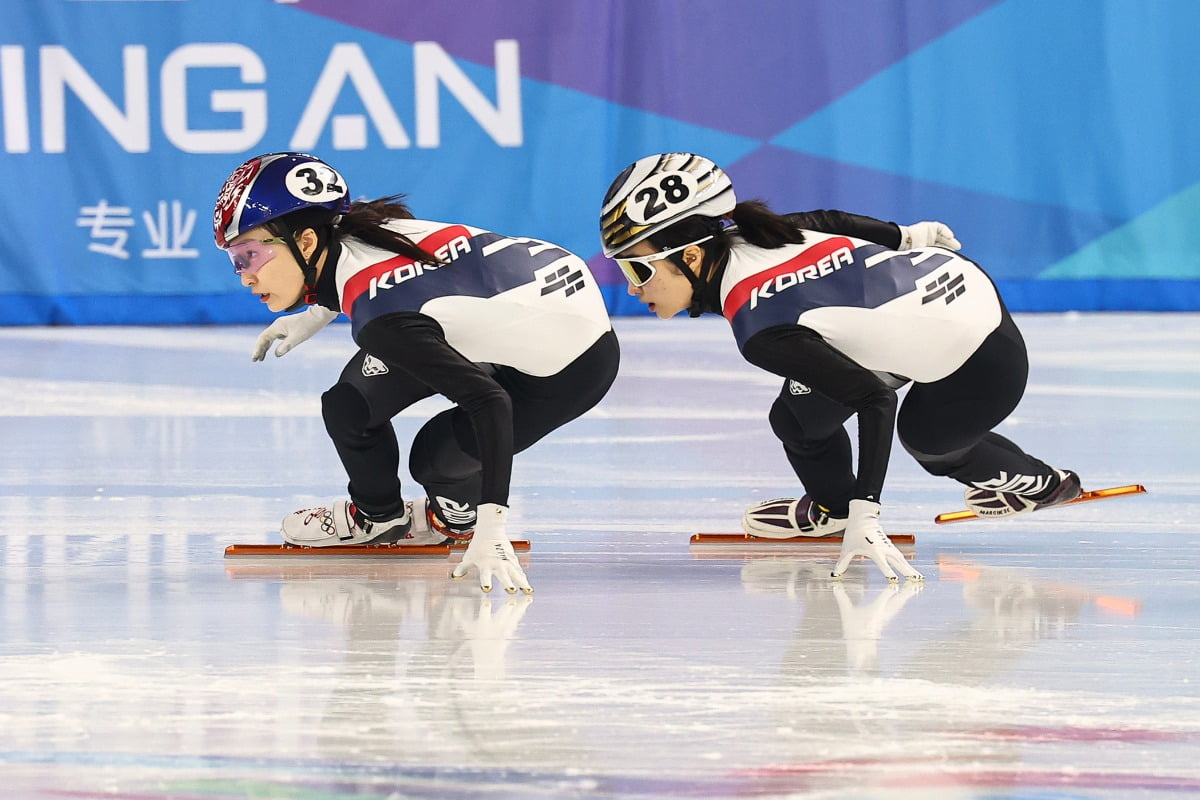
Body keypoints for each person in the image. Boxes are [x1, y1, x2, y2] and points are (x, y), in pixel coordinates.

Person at [599, 152, 1082, 582]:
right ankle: (831, 508)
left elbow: (875, 400)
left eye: (636, 270)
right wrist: (903, 235)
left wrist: (867, 513)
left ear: (691, 255)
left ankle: (1039, 482)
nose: (632, 289)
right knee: (795, 417)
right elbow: (828, 219)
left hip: (979, 349)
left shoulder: (760, 324)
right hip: (935, 296)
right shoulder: (754, 231)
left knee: (930, 440)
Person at [214, 151, 620, 594]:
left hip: (572, 361)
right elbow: (409, 278)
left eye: (248, 256)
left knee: (435, 457)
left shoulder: (382, 319)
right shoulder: (362, 231)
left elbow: (489, 401)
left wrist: (492, 525)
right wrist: (313, 313)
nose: (244, 277)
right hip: (523, 309)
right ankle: (379, 517)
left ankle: (456, 516)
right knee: (349, 405)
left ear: (307, 243)